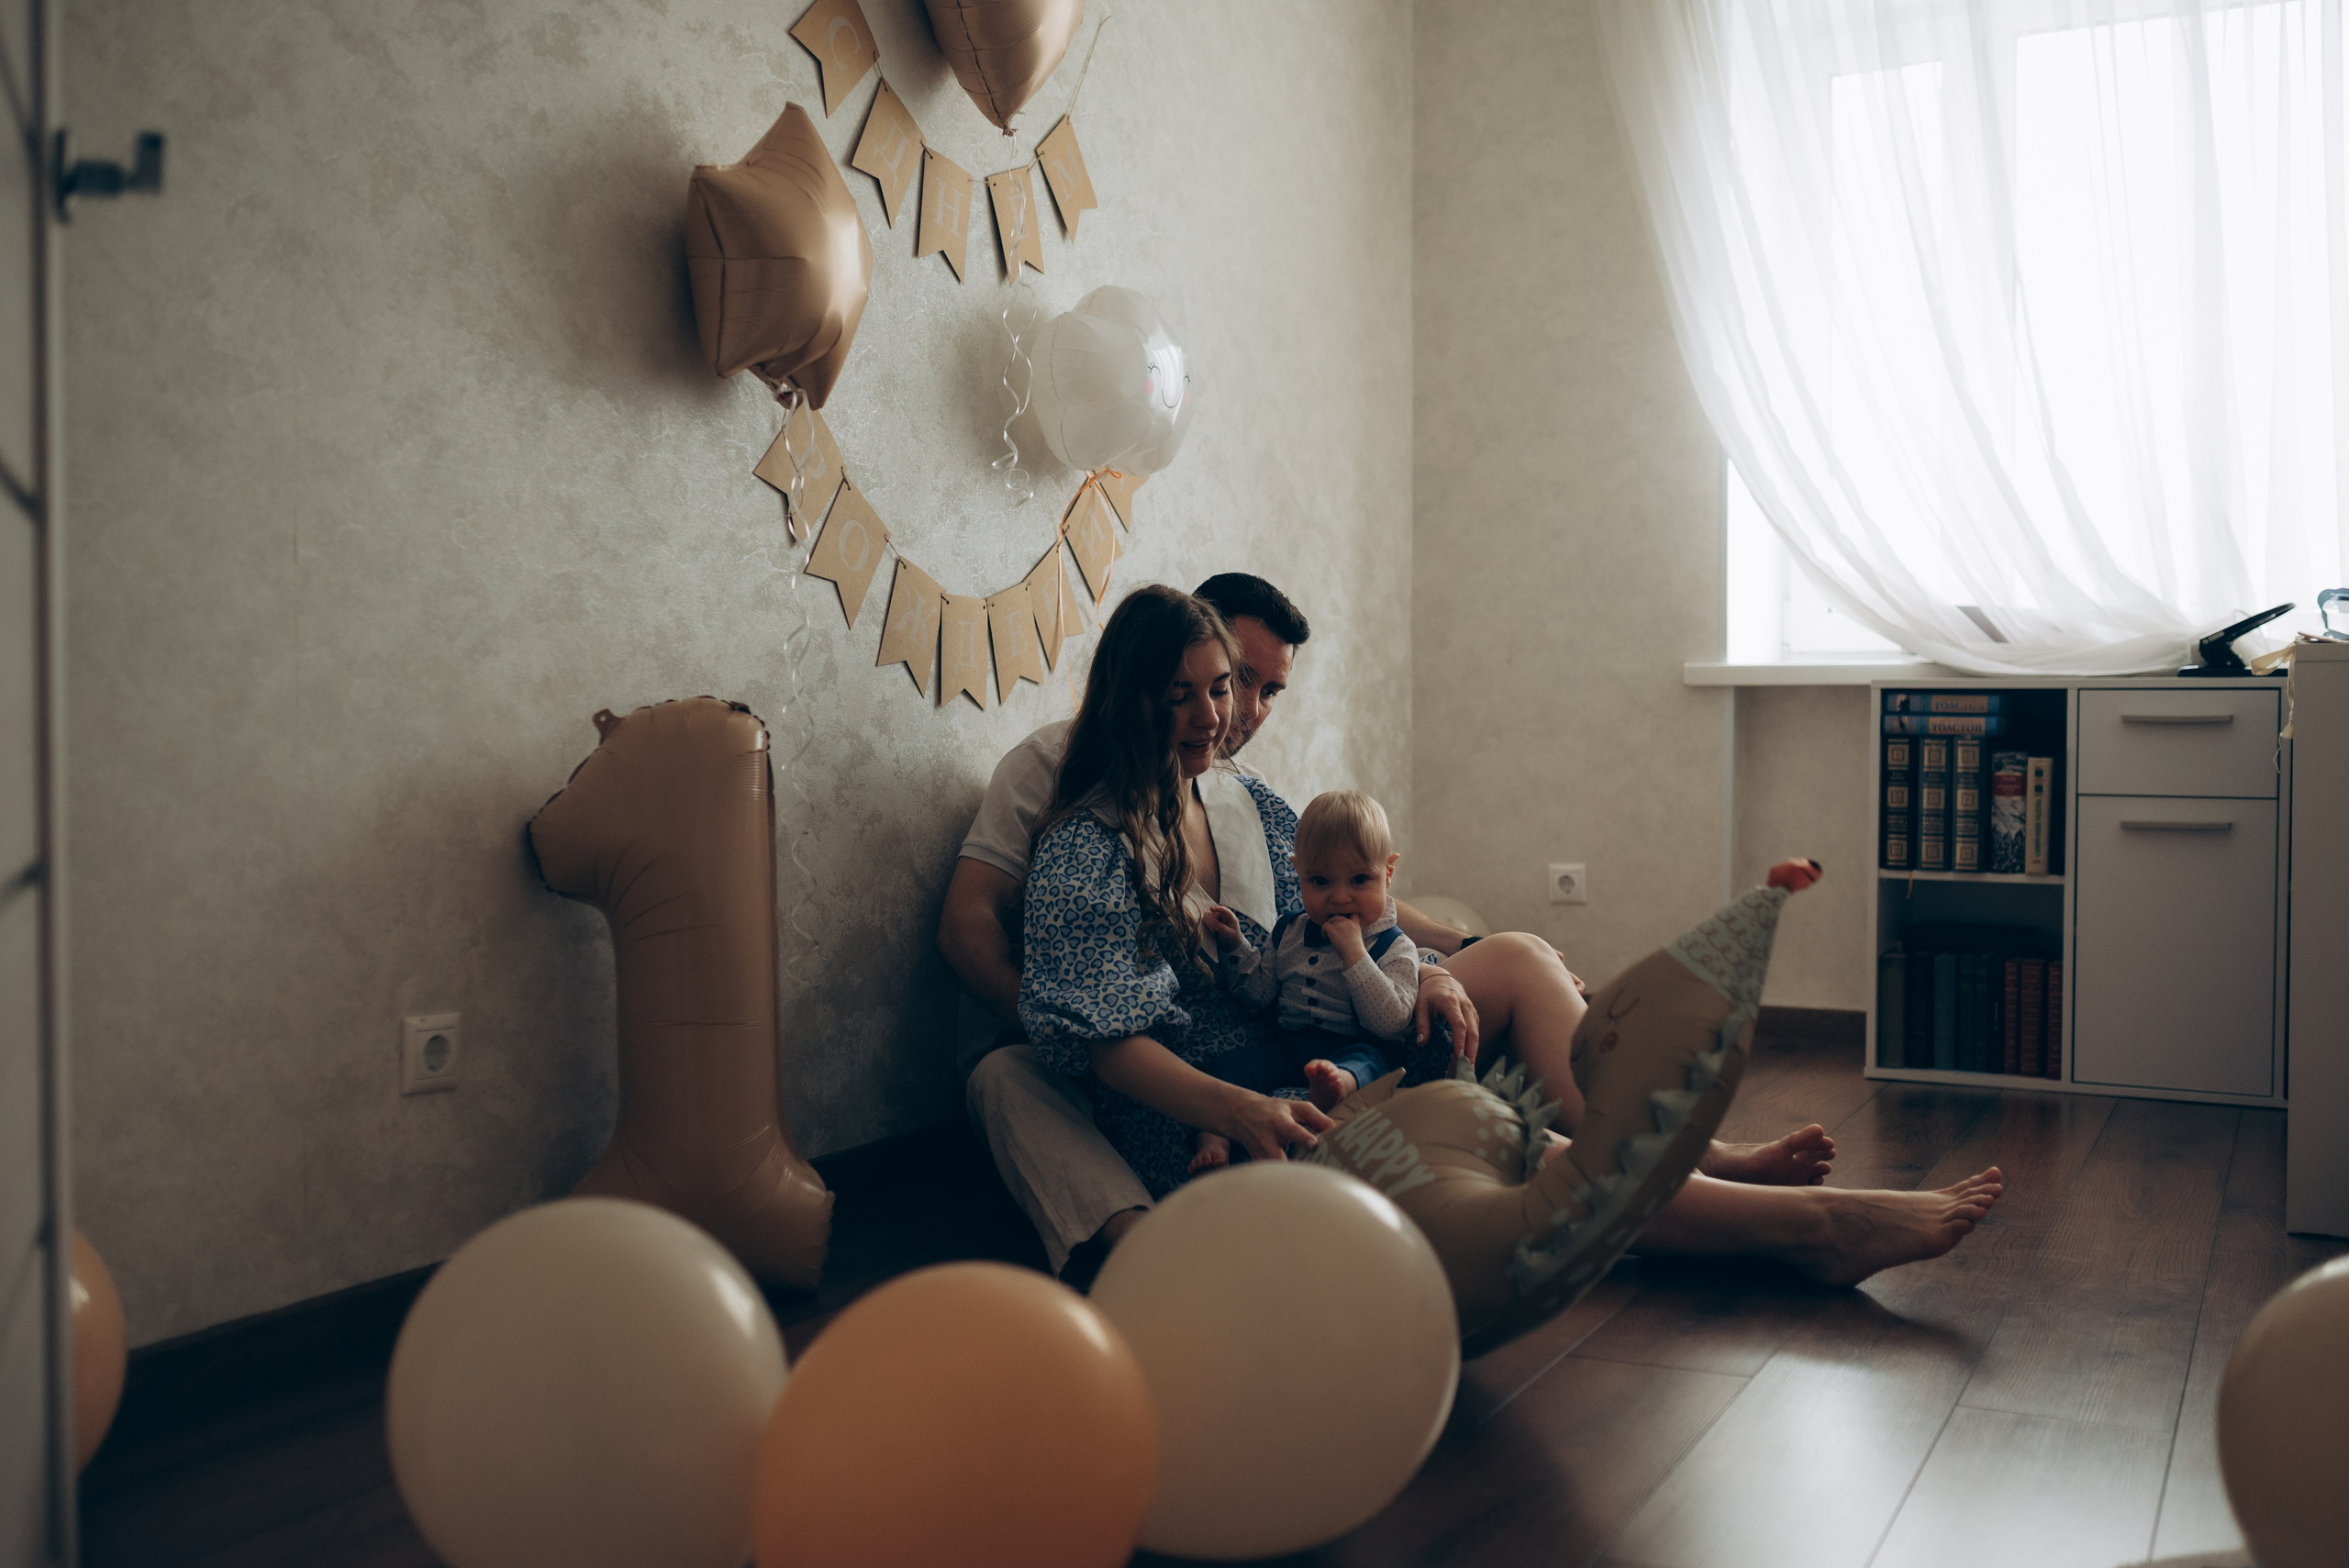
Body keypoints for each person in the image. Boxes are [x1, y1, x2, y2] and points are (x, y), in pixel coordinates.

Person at [1009, 585, 2003, 1283]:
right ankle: (1806, 1227)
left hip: (1306, 1041)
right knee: (1508, 1151)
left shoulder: (1243, 800)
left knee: (1519, 963)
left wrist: (1434, 968)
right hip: (1216, 1114)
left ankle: (1685, 1165)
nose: (1209, 714)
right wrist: (1243, 1110)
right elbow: (1107, 1045)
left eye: (1218, 689)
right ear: (1129, 695)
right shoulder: (1083, 847)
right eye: (1179, 692)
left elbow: (1349, 911)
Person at [1190, 788, 1427, 1173]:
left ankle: (1335, 1088)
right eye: (1319, 881)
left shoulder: (1395, 945)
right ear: (1297, 872)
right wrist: (1235, 944)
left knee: (1367, 1065)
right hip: (1290, 1044)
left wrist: (1355, 954)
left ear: (1388, 873)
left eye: (1359, 880)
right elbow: (1260, 992)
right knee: (1230, 1067)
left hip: (1357, 1045)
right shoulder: (1289, 932)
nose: (1339, 897)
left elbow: (1391, 1020)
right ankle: (1213, 1140)